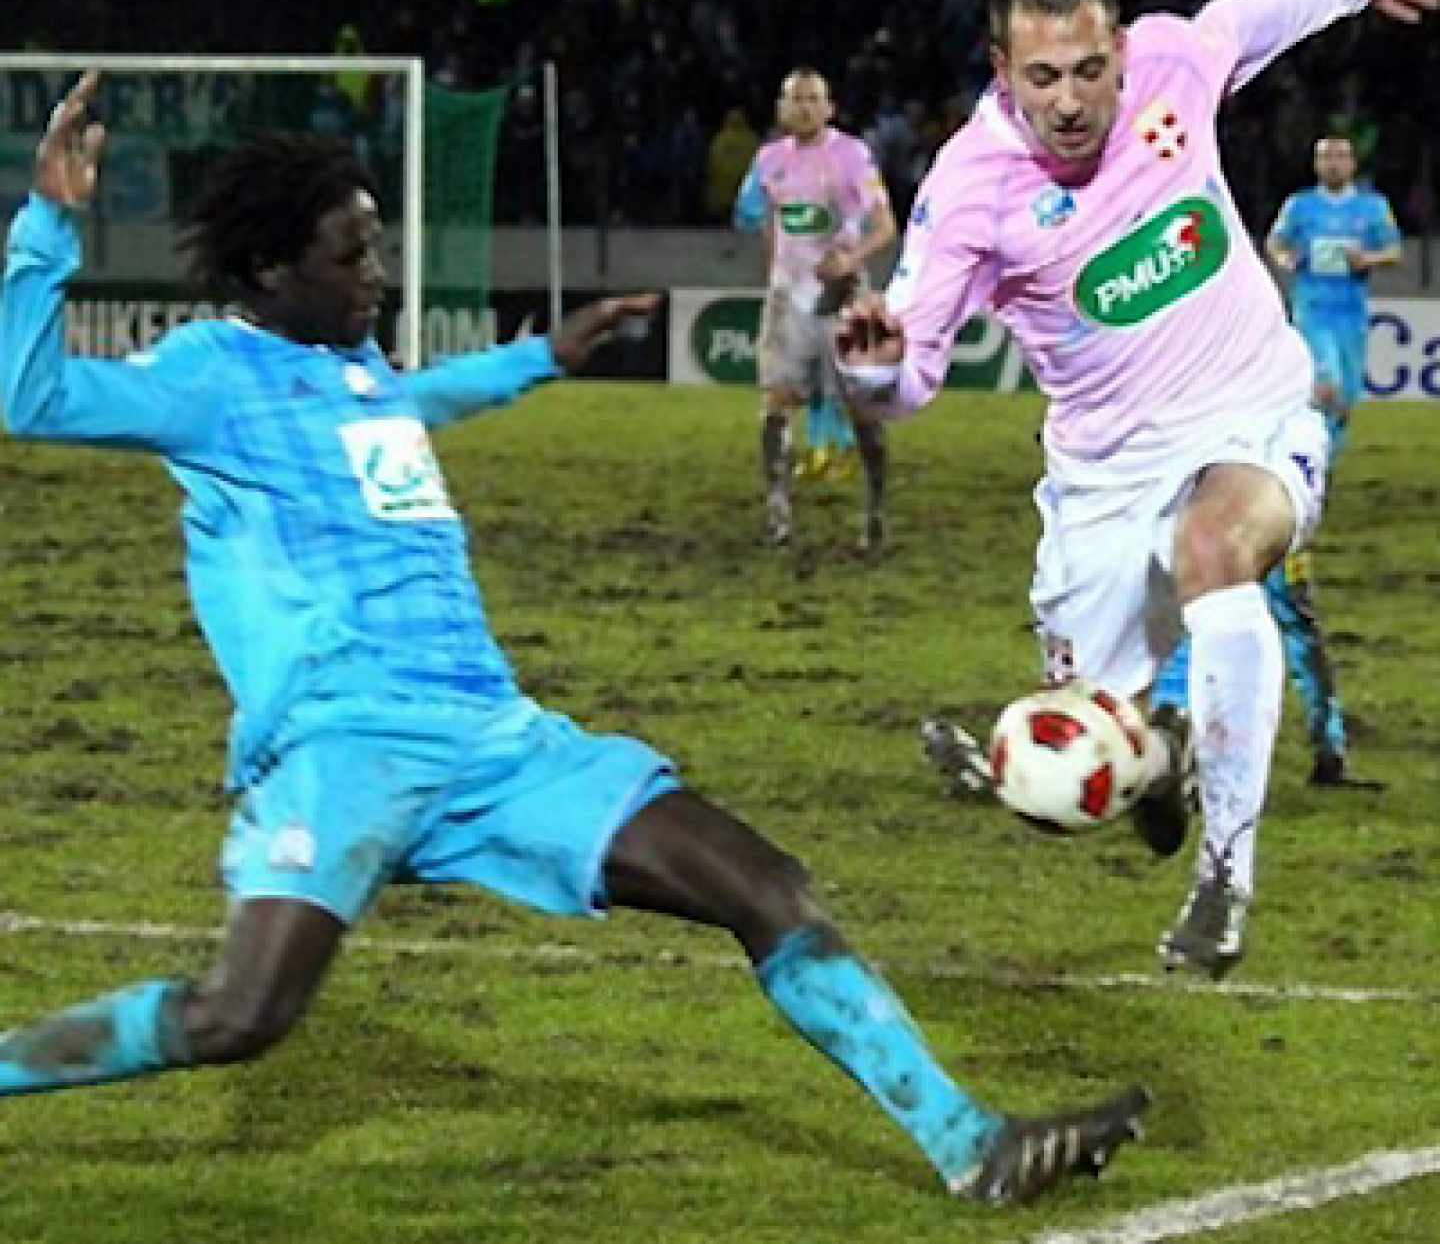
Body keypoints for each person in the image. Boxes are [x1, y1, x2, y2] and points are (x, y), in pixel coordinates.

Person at [0, 70, 1150, 1206]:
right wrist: (51, 220)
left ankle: (969, 1139)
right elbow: (28, 393)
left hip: (498, 741)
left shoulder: (352, 371)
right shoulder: (206, 375)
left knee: (766, 885)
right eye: (351, 255)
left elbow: (412, 405)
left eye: (376, 245)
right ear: (267, 269)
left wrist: (539, 359)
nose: (380, 272)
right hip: (342, 747)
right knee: (237, 1017)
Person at [839, 0, 1440, 979]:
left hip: (1253, 410)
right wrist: (875, 369)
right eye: (1042, 78)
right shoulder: (970, 190)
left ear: (1119, 50)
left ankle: (1226, 872)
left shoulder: (1173, 61)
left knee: (1214, 548)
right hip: (1103, 479)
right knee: (1067, 771)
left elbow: (1253, 17)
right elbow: (910, 383)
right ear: (1002, 72)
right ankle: (1160, 761)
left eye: (1088, 70)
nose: (1070, 101)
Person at [1153, 135, 1401, 786]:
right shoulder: (1243, 296)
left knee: (1208, 618)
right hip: (1251, 494)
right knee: (1272, 615)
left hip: (1238, 490)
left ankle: (1176, 756)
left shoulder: (1206, 307)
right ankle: (1308, 751)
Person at [736, 67, 897, 551]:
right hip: (789, 299)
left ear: (830, 107)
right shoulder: (768, 161)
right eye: (793, 99)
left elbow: (885, 225)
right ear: (781, 108)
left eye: (812, 99)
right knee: (774, 405)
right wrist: (776, 278)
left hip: (843, 297)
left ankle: (875, 512)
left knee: (865, 410)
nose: (802, 107)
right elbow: (764, 223)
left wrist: (852, 257)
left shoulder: (853, 156)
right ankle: (777, 513)